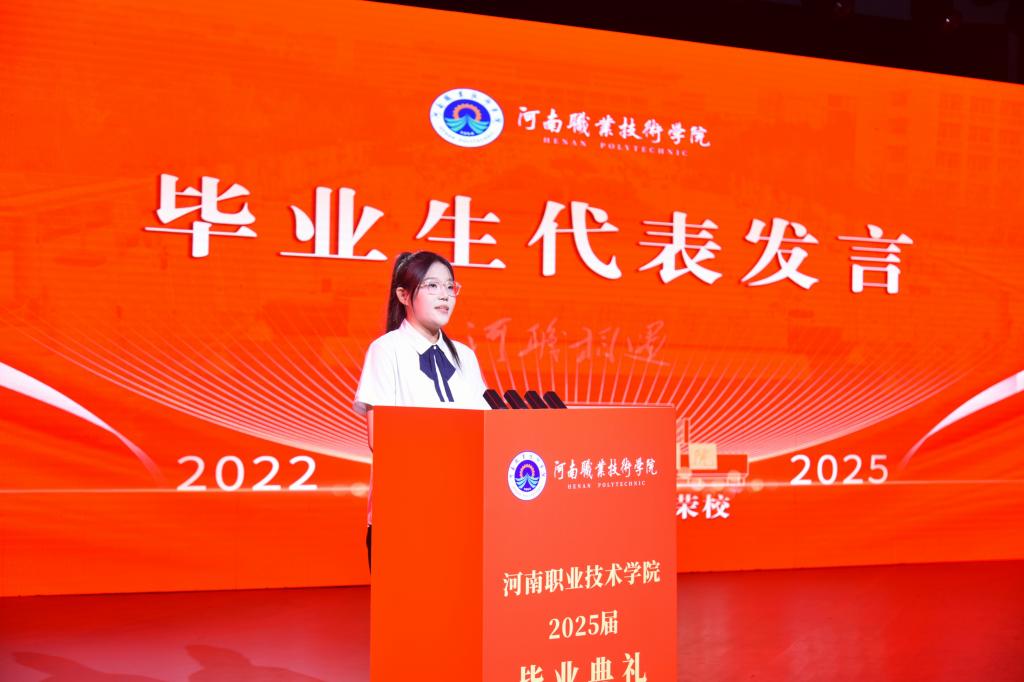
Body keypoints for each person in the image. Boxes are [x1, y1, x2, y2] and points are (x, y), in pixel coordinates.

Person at [353, 251, 489, 569]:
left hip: (460, 511)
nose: (444, 295)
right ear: (403, 295)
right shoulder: (386, 350)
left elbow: (485, 428)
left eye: (450, 286)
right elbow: (379, 437)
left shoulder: (465, 357)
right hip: (404, 512)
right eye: (432, 285)